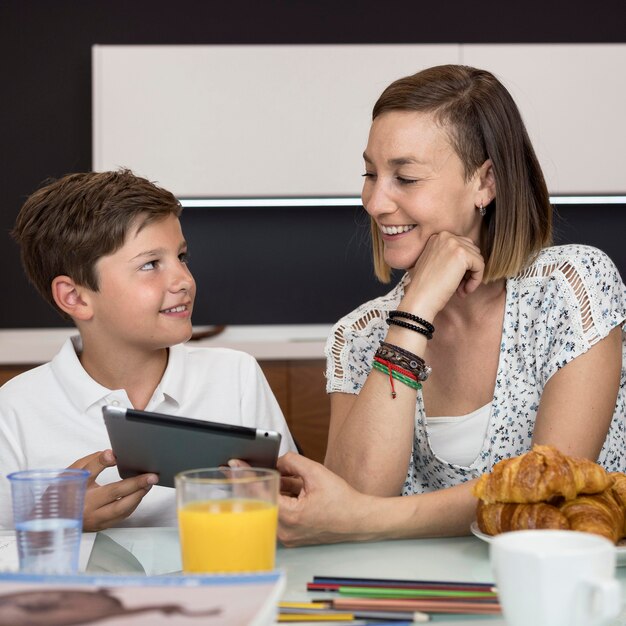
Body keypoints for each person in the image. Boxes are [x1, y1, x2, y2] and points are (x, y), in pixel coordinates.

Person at [277, 64, 626, 546]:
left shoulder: (571, 288)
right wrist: (414, 313)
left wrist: (370, 518)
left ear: (486, 183)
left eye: (405, 177)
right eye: (370, 174)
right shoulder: (357, 335)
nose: (374, 202)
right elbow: (354, 493)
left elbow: (548, 491)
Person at [0, 169, 296, 531]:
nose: (183, 280)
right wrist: (57, 520)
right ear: (75, 297)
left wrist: (267, 500)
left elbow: (294, 510)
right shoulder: (14, 409)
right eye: (150, 264)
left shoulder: (236, 376)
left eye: (181, 256)